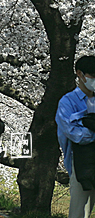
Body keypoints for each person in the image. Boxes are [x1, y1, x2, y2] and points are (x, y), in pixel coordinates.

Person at [58, 56, 95, 218]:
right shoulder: (67, 102)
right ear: (80, 74)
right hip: (81, 163)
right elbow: (75, 134)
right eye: (93, 76)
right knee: (79, 211)